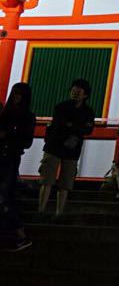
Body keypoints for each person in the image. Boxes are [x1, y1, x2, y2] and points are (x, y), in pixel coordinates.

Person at [38, 78, 95, 218]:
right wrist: (77, 127)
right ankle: (40, 210)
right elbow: (63, 125)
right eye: (73, 90)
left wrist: (71, 126)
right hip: (55, 145)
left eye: (79, 91)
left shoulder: (88, 111)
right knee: (47, 180)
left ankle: (59, 213)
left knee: (65, 183)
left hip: (72, 148)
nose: (75, 92)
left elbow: (88, 129)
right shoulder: (61, 107)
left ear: (85, 95)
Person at [0, 83, 35, 251]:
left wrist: (9, 135)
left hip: (10, 158)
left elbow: (27, 142)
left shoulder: (27, 117)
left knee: (4, 196)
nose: (16, 97)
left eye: (20, 94)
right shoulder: (4, 113)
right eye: (14, 93)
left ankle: (21, 234)